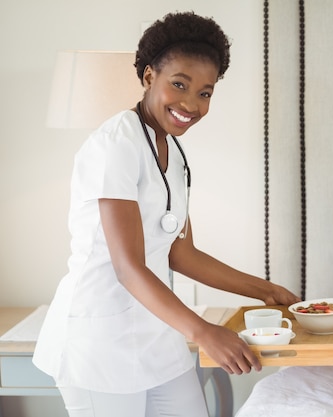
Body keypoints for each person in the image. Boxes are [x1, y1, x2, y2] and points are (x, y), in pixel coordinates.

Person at [33, 11, 299, 417]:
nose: (191, 104)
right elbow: (127, 267)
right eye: (179, 84)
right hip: (99, 343)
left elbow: (179, 252)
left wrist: (263, 290)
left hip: (156, 336)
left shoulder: (173, 151)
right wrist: (204, 331)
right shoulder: (115, 144)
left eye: (205, 93)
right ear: (147, 78)